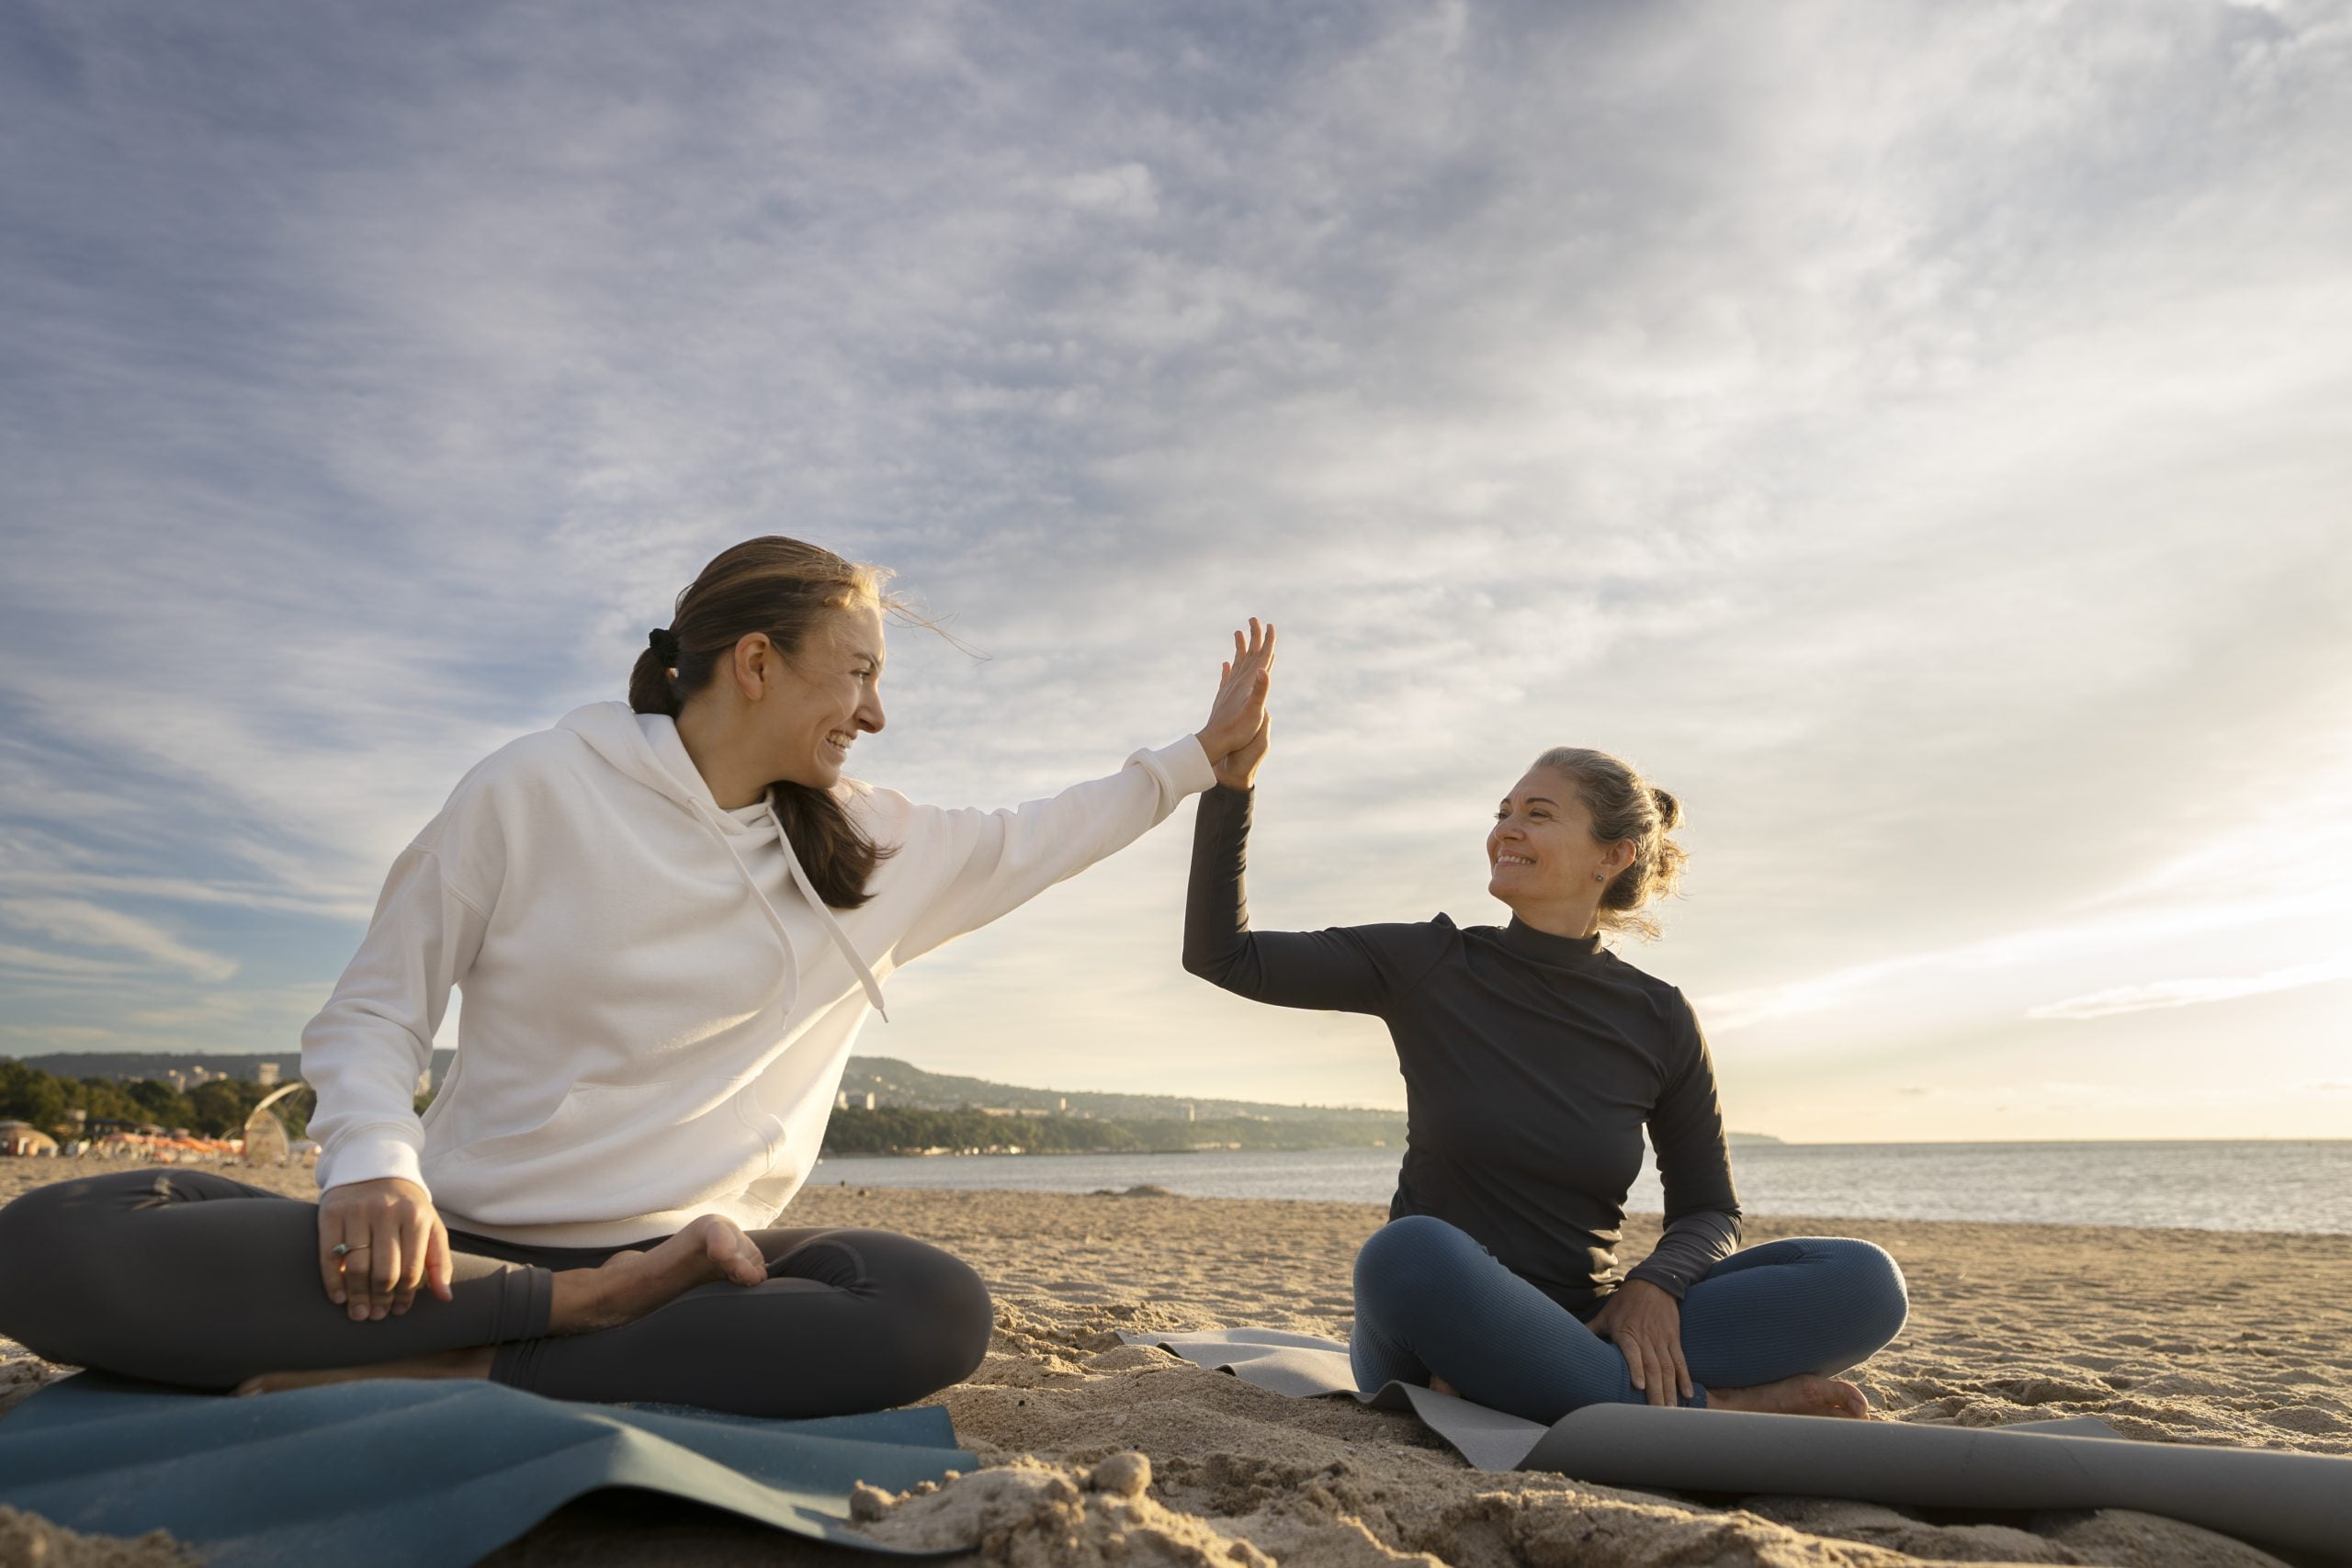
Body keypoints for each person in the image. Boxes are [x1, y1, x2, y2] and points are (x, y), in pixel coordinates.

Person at [0, 536, 1274, 1418]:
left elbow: (1041, 830)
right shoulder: (530, 787)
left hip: (691, 1269)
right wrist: (377, 1165)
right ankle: (532, 1325)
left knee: (932, 1303)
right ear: (759, 661)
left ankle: (454, 1366)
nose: (877, 711)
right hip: (454, 1254)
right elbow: (376, 1008)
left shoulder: (872, 846)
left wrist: (1195, 759)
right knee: (46, 1242)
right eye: (864, 669)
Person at [1182, 632, 1907, 1422]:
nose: (1506, 829)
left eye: (1537, 813)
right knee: (1405, 1252)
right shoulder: (1429, 961)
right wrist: (1231, 789)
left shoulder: (1659, 1015)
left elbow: (1709, 1210)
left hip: (1587, 1320)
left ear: (1612, 856)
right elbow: (1224, 955)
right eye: (1502, 813)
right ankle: (1709, 1408)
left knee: (1866, 1281)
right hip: (1436, 1312)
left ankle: (1554, 1379)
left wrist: (1653, 1285)